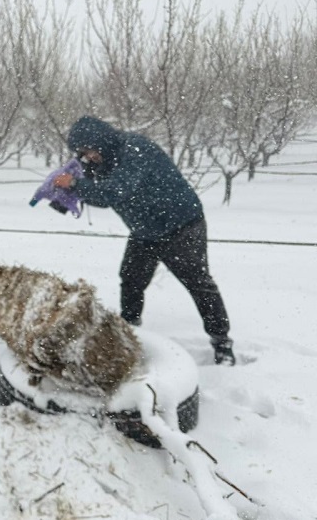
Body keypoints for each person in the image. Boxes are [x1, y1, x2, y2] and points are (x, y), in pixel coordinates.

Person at [52, 116, 235, 366]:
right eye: (83, 154)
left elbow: (114, 194)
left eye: (89, 151)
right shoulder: (103, 160)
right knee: (131, 279)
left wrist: (74, 183)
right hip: (146, 231)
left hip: (180, 225)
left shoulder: (134, 150)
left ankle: (222, 343)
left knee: (198, 284)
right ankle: (129, 331)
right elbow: (101, 194)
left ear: (101, 142)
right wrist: (71, 188)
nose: (88, 157)